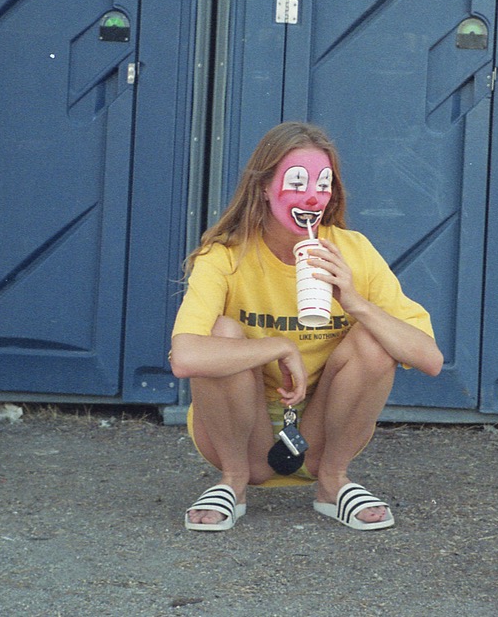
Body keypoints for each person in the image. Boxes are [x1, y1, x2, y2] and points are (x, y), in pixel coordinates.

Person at [169, 122, 443, 531]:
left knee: (375, 337)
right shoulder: (225, 256)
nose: (313, 196)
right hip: (241, 436)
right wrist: (279, 347)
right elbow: (186, 357)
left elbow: (430, 359)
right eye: (297, 182)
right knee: (222, 333)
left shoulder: (353, 251)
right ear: (264, 186)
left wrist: (355, 302)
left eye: (324, 183)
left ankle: (333, 482)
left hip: (323, 436)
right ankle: (233, 482)